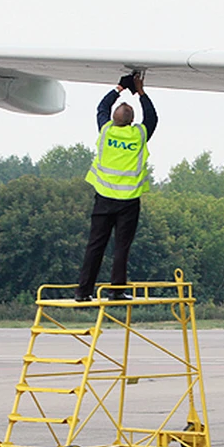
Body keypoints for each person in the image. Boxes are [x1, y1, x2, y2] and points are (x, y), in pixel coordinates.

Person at [75, 72, 158, 302]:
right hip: (128, 201)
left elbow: (101, 107)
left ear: (114, 119)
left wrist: (120, 87)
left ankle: (83, 292)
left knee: (95, 246)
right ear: (131, 121)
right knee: (121, 248)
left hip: (103, 198)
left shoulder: (106, 131)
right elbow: (152, 117)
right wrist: (140, 91)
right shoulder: (139, 135)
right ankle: (117, 291)